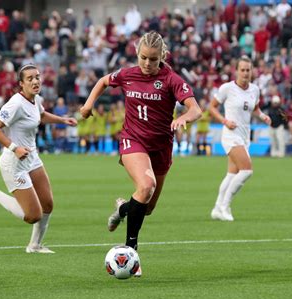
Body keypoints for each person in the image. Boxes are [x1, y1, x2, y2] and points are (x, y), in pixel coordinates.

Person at [80, 31, 202, 276]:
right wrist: (88, 104)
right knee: (146, 186)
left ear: (162, 57)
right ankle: (131, 252)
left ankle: (123, 209)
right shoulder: (127, 74)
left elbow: (195, 108)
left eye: (153, 59)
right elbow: (103, 81)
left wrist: (184, 118)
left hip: (161, 148)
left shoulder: (171, 80)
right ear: (137, 54)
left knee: (146, 207)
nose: (147, 64)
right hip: (132, 141)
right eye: (143, 58)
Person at [0, 64, 78, 254]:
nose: (35, 81)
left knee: (48, 204)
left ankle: (35, 245)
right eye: (30, 78)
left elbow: (41, 115)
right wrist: (14, 148)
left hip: (32, 157)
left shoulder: (36, 99)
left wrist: (63, 120)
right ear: (21, 84)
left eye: (37, 77)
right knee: (32, 215)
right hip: (14, 163)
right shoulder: (15, 103)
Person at [209, 55, 271, 221]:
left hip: (244, 136)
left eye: (248, 70)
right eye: (242, 70)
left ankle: (216, 208)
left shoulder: (255, 90)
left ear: (252, 71)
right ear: (236, 71)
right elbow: (212, 108)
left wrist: (262, 116)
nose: (245, 73)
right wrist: (224, 121)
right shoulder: (227, 88)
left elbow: (255, 108)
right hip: (230, 135)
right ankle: (225, 206)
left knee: (231, 174)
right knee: (247, 170)